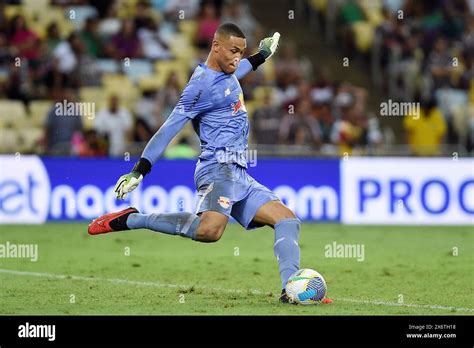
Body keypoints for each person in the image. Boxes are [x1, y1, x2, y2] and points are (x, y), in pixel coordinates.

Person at [87, 23, 332, 305]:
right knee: (209, 232)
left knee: (287, 220)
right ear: (215, 46)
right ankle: (132, 219)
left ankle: (291, 289)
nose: (237, 58)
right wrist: (139, 169)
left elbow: (239, 71)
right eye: (232, 51)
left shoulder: (229, 73)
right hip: (217, 169)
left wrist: (262, 55)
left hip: (238, 172)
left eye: (241, 52)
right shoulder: (199, 87)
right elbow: (168, 129)